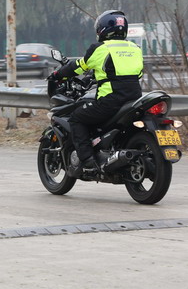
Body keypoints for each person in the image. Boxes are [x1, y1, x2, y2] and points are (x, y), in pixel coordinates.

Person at [48, 10, 143, 178]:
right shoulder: (135, 48)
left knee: (77, 118)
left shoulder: (100, 48)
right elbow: (137, 73)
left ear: (102, 29)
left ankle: (88, 161)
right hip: (134, 100)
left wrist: (58, 74)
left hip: (110, 102)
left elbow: (79, 66)